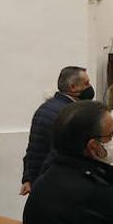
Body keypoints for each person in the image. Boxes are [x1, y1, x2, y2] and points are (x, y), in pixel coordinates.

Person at [20, 66, 93, 195]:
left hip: (41, 181)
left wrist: (29, 178)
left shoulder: (44, 107)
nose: (90, 87)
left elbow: (33, 149)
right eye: (86, 83)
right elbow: (58, 153)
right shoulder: (70, 114)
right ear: (72, 88)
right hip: (55, 184)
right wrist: (39, 182)